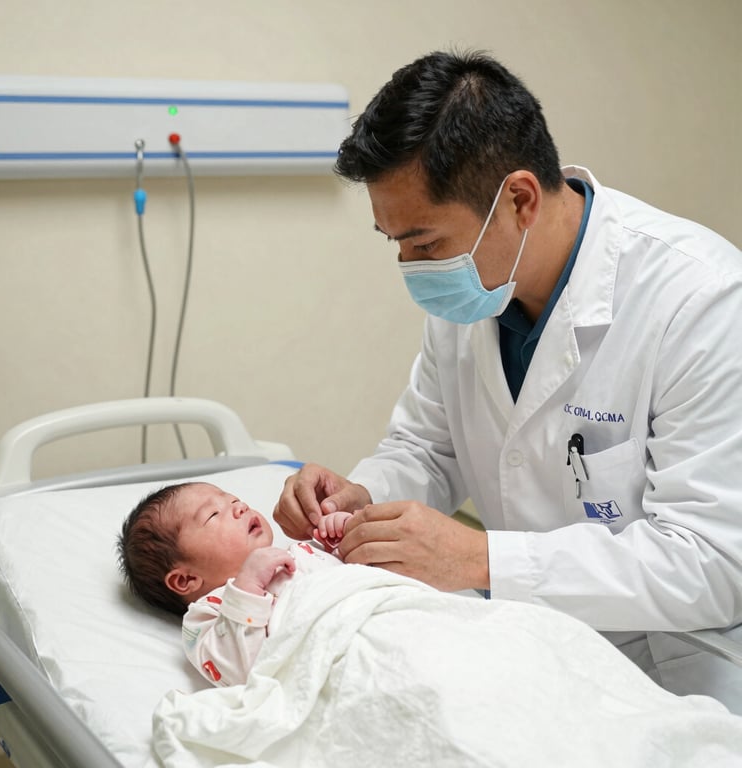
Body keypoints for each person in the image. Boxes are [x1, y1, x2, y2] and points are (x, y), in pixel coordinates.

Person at [273, 49, 742, 710]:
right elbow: (429, 448)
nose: (412, 268)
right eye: (395, 244)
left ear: (519, 199)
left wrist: (482, 560)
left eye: (427, 243)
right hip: (530, 646)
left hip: (678, 669)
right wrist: (360, 495)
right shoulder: (475, 295)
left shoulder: (702, 300)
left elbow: (711, 564)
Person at [117, 481, 352, 686]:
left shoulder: (301, 551)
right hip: (341, 658)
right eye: (213, 514)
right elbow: (245, 670)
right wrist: (248, 585)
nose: (241, 507)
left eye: (233, 500)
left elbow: (362, 576)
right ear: (186, 579)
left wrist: (342, 538)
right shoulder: (211, 615)